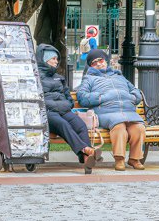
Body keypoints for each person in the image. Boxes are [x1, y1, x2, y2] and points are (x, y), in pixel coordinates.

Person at [76, 48, 147, 170]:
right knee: (119, 126)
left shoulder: (118, 76)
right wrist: (102, 97)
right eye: (94, 62)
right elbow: (82, 97)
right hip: (106, 112)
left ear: (106, 61)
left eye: (101, 60)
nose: (98, 63)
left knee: (139, 127)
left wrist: (132, 97)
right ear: (91, 66)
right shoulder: (89, 78)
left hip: (128, 111)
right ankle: (119, 159)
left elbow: (135, 91)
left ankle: (134, 159)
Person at [37, 44, 97, 172]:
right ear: (44, 59)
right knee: (63, 125)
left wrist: (69, 104)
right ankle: (86, 150)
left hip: (64, 110)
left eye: (56, 59)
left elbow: (67, 95)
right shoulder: (35, 77)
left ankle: (86, 159)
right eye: (53, 58)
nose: (56, 61)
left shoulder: (59, 77)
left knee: (80, 126)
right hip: (47, 113)